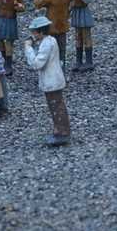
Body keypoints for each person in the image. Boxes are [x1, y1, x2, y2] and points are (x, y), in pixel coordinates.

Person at [25, 16, 71, 147]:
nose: (33, 35)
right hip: (54, 79)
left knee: (56, 106)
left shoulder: (46, 44)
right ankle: (59, 130)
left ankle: (62, 133)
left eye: (34, 32)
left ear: (40, 32)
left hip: (51, 81)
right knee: (56, 105)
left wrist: (28, 48)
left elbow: (37, 64)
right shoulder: (51, 40)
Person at [33, 0, 77, 68]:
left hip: (52, 27)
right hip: (63, 25)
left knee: (51, 50)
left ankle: (52, 71)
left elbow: (38, 4)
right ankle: (61, 71)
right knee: (62, 50)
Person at [68, 0, 94, 71]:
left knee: (86, 36)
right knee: (78, 37)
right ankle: (78, 61)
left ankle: (89, 62)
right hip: (76, 11)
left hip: (83, 11)